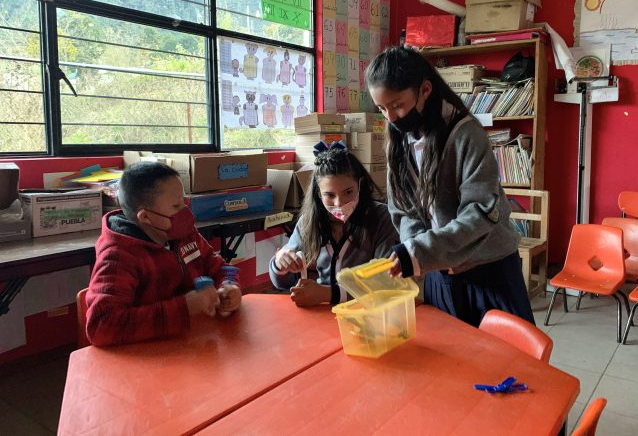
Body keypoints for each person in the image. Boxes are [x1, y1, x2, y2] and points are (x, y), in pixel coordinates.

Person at [365, 45, 534, 327]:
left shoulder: (466, 134)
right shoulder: (398, 138)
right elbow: (402, 209)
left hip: (488, 269)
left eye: (397, 105)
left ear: (425, 90)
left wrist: (421, 251)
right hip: (439, 271)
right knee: (449, 349)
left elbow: (479, 212)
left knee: (503, 353)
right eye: (382, 108)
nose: (390, 118)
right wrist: (417, 248)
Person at [85, 162, 241, 346]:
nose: (185, 211)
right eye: (176, 206)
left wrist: (229, 285)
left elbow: (218, 265)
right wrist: (184, 308)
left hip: (193, 343)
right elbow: (101, 325)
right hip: (148, 355)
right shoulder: (118, 257)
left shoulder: (184, 234)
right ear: (145, 217)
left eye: (183, 201)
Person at [269, 141, 399, 306]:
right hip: (324, 312)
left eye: (348, 192)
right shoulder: (310, 221)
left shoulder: (382, 218)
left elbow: (386, 281)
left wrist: (327, 294)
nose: (339, 203)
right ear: (318, 194)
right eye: (329, 195)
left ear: (360, 185)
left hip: (367, 311)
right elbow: (282, 283)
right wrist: (280, 263)